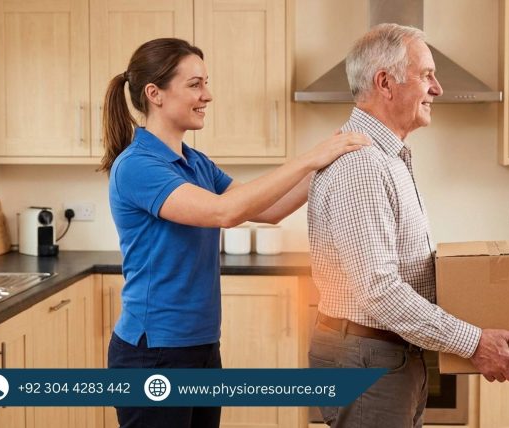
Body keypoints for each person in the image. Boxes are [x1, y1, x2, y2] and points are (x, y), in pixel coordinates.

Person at [100, 38, 369, 428]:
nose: (207, 95)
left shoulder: (195, 162)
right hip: (154, 354)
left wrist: (333, 159)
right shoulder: (138, 166)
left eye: (205, 83)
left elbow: (269, 209)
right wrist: (312, 156)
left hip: (202, 346)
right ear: (154, 94)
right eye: (195, 84)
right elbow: (224, 212)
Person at [307, 24, 509, 427]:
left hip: (386, 353)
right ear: (385, 83)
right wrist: (474, 342)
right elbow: (380, 291)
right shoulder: (362, 166)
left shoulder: (385, 157)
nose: (437, 88)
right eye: (426, 74)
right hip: (370, 358)